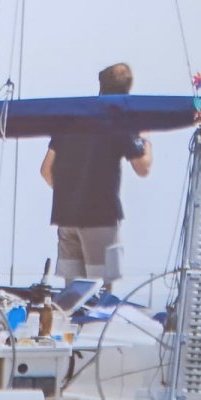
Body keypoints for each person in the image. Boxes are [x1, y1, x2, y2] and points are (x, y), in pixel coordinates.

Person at [39, 63, 151, 292]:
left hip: (66, 216)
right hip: (100, 217)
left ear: (100, 85)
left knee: (72, 297)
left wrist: (70, 192)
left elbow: (46, 170)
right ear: (128, 89)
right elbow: (143, 168)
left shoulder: (71, 119)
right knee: (100, 295)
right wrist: (145, 137)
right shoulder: (120, 123)